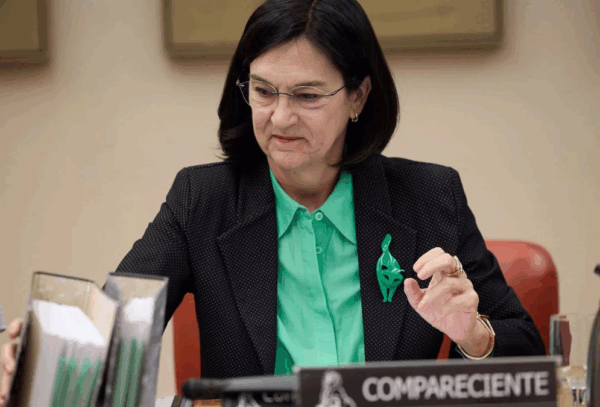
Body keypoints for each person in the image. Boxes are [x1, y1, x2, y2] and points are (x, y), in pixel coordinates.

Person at [0, 0, 546, 403]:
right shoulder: (203, 201)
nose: (280, 117)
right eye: (263, 91)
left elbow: (529, 357)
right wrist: (38, 352)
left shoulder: (428, 197)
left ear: (358, 96)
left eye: (307, 95)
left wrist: (472, 334)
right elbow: (115, 330)